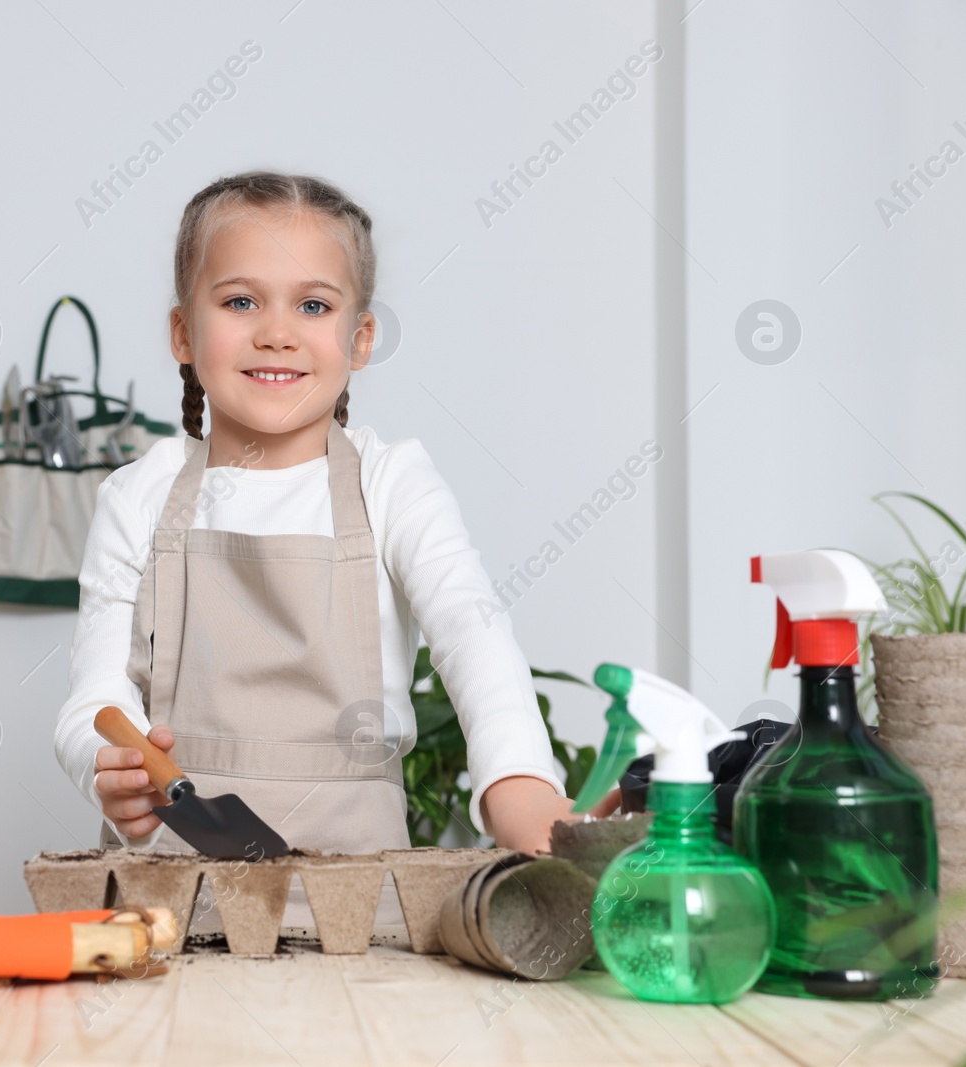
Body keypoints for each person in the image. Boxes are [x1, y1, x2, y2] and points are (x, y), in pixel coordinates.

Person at [53, 171, 576, 924]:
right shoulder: (139, 493)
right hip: (168, 908)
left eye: (313, 305)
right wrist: (107, 768)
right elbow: (93, 697)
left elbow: (472, 631)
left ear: (359, 339)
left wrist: (518, 781)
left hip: (359, 908)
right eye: (240, 301)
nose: (277, 331)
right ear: (182, 333)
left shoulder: (392, 483)